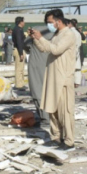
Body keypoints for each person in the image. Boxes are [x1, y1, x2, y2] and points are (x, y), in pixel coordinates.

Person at [31, 9, 75, 150]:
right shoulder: (57, 35)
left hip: (63, 78)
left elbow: (56, 50)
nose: (49, 25)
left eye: (50, 22)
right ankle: (56, 137)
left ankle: (69, 141)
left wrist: (41, 38)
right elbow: (45, 48)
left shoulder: (68, 35)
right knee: (53, 110)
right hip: (52, 77)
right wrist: (36, 39)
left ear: (58, 21)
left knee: (65, 112)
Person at [24, 26, 52, 124]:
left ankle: (45, 117)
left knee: (37, 90)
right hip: (51, 65)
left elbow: (26, 45)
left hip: (36, 65)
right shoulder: (58, 34)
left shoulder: (35, 33)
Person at [67, 20, 83, 86]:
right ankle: (77, 82)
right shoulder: (77, 33)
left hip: (71, 52)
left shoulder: (69, 32)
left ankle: (74, 82)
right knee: (77, 68)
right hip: (76, 52)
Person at [12, 16, 26, 89]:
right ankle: (18, 85)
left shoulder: (18, 29)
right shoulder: (18, 30)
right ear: (20, 22)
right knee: (19, 69)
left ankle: (21, 83)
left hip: (19, 49)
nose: (24, 22)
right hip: (18, 50)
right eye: (23, 21)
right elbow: (19, 42)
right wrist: (21, 53)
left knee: (21, 68)